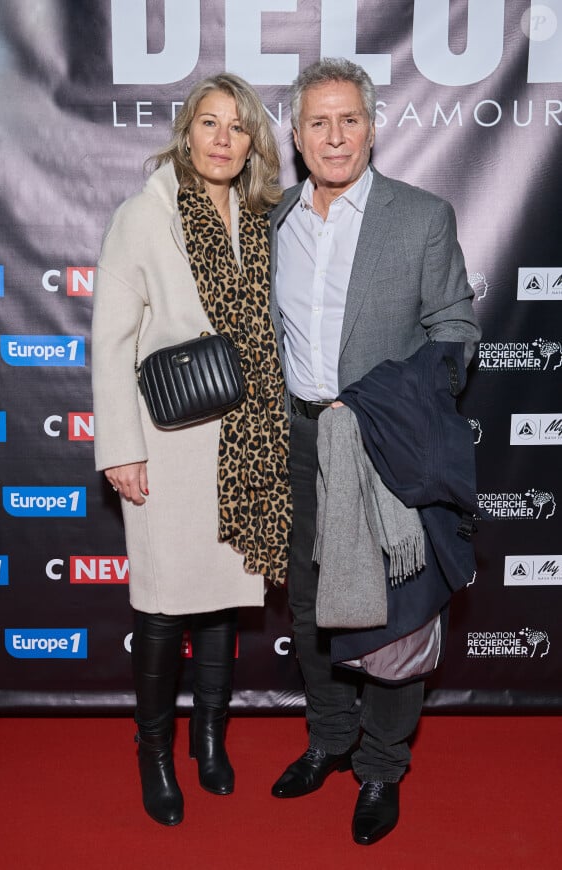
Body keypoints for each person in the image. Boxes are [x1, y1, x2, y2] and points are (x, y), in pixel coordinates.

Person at [269, 58, 481, 845]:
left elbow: (456, 328)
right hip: (300, 436)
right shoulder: (275, 219)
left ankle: (383, 767)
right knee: (311, 598)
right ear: (295, 135)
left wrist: (404, 406)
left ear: (371, 126)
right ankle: (329, 736)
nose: (334, 136)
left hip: (385, 441)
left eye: (349, 119)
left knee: (399, 612)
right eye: (318, 122)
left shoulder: (420, 216)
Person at [91, 73, 291, 827]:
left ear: (252, 145)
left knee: (220, 607)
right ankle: (154, 750)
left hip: (245, 446)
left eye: (238, 128)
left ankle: (210, 739)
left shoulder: (263, 216)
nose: (222, 139)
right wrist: (121, 448)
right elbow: (110, 343)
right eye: (209, 123)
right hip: (168, 445)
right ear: (187, 132)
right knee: (163, 608)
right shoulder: (142, 218)